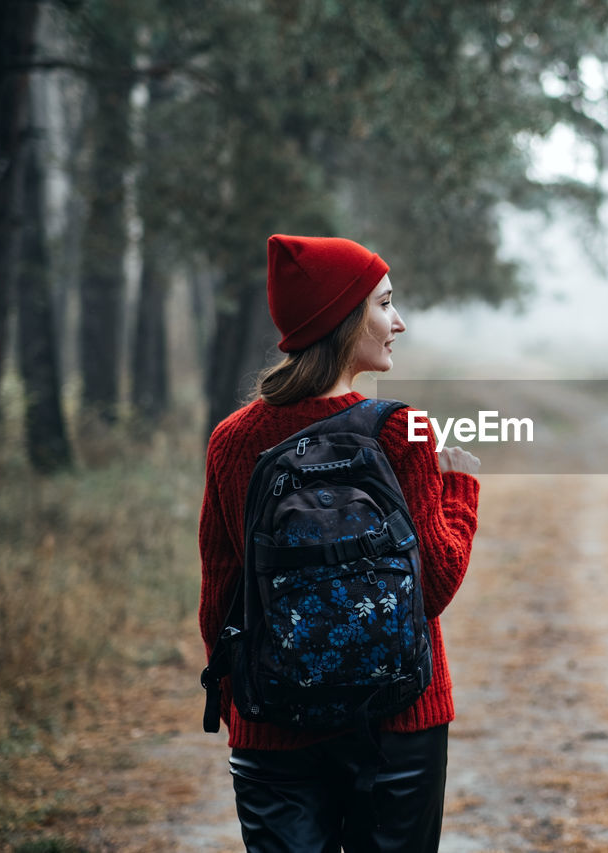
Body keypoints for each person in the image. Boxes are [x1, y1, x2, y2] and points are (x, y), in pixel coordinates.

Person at [198, 234, 480, 852]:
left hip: (273, 721)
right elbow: (431, 586)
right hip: (399, 720)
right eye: (384, 304)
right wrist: (459, 493)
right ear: (343, 318)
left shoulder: (231, 439)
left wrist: (238, 697)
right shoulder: (401, 430)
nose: (398, 321)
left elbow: (223, 592)